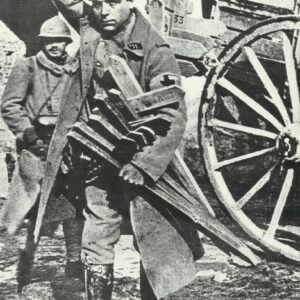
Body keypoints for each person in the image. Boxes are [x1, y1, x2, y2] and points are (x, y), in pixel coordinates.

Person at [38, 1, 204, 299]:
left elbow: (172, 114)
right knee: (96, 236)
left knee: (155, 242)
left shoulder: (156, 50)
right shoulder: (92, 29)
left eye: (113, 3)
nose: (104, 11)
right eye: (98, 3)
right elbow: (70, 3)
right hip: (98, 157)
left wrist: (143, 165)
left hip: (142, 164)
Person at [1, 16, 84, 284]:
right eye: (49, 41)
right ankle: (25, 260)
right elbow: (10, 106)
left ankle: (74, 261)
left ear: (67, 43)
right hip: (35, 145)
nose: (54, 46)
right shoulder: (27, 67)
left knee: (72, 203)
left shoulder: (75, 71)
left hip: (66, 147)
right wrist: (29, 134)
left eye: (59, 41)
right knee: (31, 205)